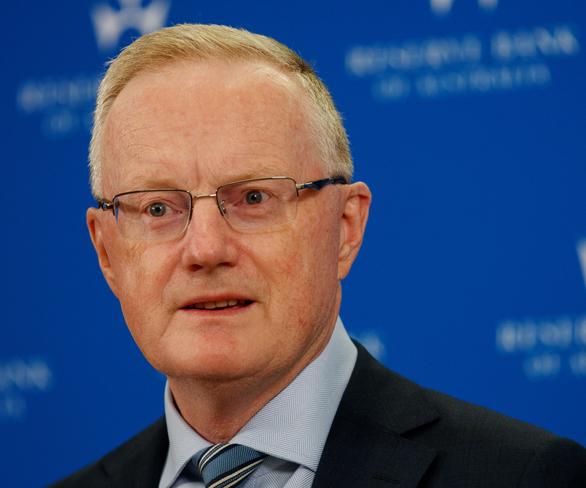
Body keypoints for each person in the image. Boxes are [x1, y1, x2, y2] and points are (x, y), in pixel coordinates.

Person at [54, 24, 586, 487]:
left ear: (346, 228)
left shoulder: (522, 476)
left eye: (254, 198)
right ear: (107, 250)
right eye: (157, 209)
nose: (206, 249)